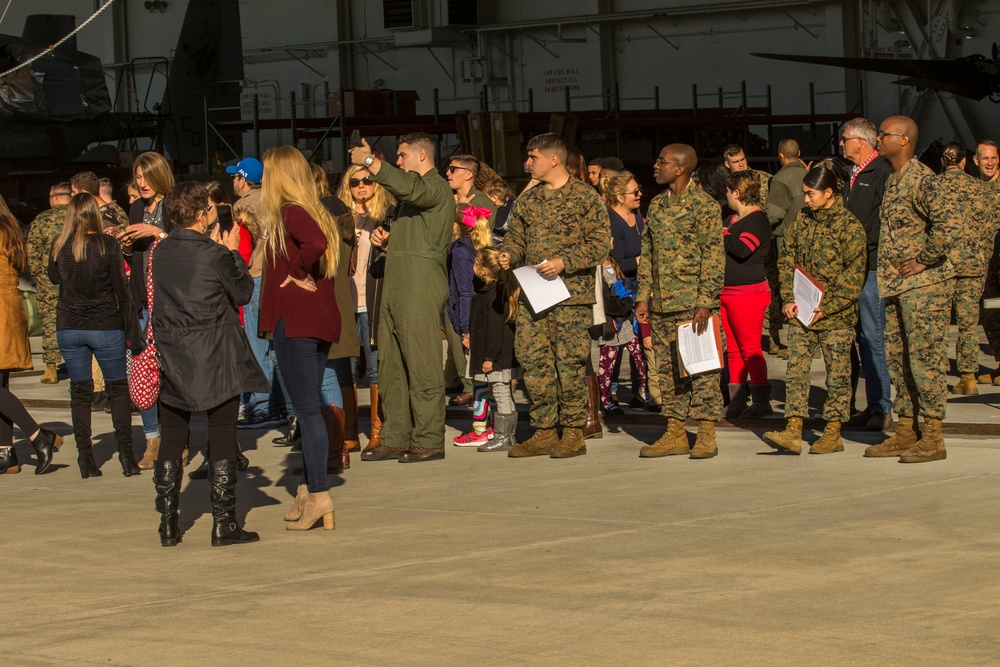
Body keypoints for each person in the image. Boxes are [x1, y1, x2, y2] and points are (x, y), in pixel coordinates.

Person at [147, 181, 266, 547]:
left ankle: (168, 522)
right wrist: (232, 252)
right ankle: (224, 522)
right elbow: (242, 292)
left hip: (174, 353)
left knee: (172, 434)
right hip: (215, 353)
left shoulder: (161, 252)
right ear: (202, 214)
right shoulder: (213, 254)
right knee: (221, 433)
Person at [498, 132, 610, 459]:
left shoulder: (585, 198)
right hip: (535, 296)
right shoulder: (529, 200)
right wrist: (508, 254)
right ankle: (544, 430)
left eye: (532, 157)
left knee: (570, 363)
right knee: (535, 362)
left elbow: (600, 244)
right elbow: (515, 236)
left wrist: (566, 262)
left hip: (570, 298)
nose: (527, 162)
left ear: (553, 159)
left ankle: (573, 431)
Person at [348, 133, 455, 463]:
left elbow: (410, 188)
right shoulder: (408, 200)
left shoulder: (434, 186)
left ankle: (428, 438)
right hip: (396, 284)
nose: (399, 161)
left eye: (402, 155)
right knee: (391, 363)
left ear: (422, 155)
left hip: (420, 284)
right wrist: (386, 239)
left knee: (422, 363)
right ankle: (396, 435)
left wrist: (370, 160)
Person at [864, 116, 961, 463]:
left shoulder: (923, 180)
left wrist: (923, 260)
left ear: (903, 140)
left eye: (883, 134)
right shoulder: (894, 180)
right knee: (899, 360)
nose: (877, 139)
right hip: (896, 288)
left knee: (925, 362)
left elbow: (949, 225)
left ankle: (933, 436)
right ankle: (907, 430)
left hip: (925, 289)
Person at [258, 145, 340, 528]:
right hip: (317, 320)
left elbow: (316, 245)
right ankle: (308, 489)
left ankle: (320, 493)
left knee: (305, 410)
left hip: (298, 321)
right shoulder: (312, 209)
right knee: (307, 409)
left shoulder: (291, 210)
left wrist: (295, 270)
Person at [762, 166, 866, 454]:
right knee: (796, 370)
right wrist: (787, 298)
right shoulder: (802, 221)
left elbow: (854, 276)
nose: (806, 199)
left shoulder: (850, 227)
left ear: (829, 193)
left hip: (835, 317)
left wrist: (827, 307)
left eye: (810, 194)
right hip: (802, 312)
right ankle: (793, 429)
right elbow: (787, 260)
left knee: (838, 374)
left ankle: (833, 431)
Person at [635, 143, 724, 459]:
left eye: (662, 161)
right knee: (668, 371)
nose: (655, 166)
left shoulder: (705, 207)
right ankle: (675, 432)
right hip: (661, 306)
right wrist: (643, 297)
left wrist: (705, 300)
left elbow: (713, 256)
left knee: (702, 370)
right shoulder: (657, 206)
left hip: (693, 305)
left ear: (680, 168)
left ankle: (706, 433)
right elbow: (648, 256)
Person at [49, 193, 141, 478]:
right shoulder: (107, 244)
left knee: (80, 392)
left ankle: (86, 459)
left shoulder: (60, 244)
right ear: (94, 214)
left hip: (70, 326)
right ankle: (127, 457)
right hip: (105, 325)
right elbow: (120, 289)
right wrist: (132, 331)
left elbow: (54, 278)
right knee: (118, 390)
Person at [118, 152, 174, 467]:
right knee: (143, 371)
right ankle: (152, 439)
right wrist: (126, 242)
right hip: (142, 299)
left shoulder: (173, 204)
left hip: (169, 298)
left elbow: (184, 243)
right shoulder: (136, 207)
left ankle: (177, 437)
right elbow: (134, 255)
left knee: (171, 371)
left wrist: (156, 232)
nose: (141, 184)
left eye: (146, 177)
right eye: (137, 178)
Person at [839, 118, 894, 431]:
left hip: (870, 266)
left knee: (873, 337)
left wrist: (862, 244)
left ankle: (882, 407)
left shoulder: (882, 172)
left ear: (860, 141)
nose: (842, 143)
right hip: (852, 267)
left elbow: (883, 220)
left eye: (845, 138)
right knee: (860, 337)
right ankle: (872, 404)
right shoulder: (852, 174)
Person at [335, 164, 395, 454]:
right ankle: (349, 433)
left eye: (367, 180)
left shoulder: (387, 216)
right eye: (354, 181)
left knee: (375, 367)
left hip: (372, 299)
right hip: (345, 300)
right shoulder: (341, 219)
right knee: (344, 369)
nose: (361, 185)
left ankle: (377, 430)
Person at [0, 194, 62, 475]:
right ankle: (6, 454)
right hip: (10, 308)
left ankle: (38, 435)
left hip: (1, 309)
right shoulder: (9, 229)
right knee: (2, 386)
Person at [935, 143, 994, 395]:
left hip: (941, 266)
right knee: (968, 323)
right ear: (964, 162)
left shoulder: (933, 186)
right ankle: (968, 377)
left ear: (942, 161)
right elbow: (988, 229)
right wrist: (982, 259)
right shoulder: (977, 188)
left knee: (938, 323)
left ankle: (935, 375)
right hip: (972, 265)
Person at [313, 161, 359, 474]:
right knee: (337, 372)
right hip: (339, 300)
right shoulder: (341, 211)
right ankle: (341, 443)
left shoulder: (315, 214)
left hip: (318, 300)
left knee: (325, 375)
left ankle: (333, 448)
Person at [444, 154, 496, 406]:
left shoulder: (482, 201)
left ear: (468, 174)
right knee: (455, 345)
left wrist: (460, 208)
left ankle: (477, 396)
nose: (448, 173)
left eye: (453, 169)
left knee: (468, 344)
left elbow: (480, 235)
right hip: (449, 278)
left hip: (471, 278)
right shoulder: (445, 198)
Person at [720, 170, 773, 418]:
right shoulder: (731, 219)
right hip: (728, 292)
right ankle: (738, 400)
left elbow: (743, 249)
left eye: (728, 192)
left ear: (737, 193)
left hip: (748, 293)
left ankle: (761, 401)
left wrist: (723, 233)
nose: (726, 197)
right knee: (732, 347)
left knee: (750, 346)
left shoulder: (757, 220)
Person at [602, 170, 650, 411]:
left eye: (639, 189)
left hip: (641, 287)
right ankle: (607, 394)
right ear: (620, 197)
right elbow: (616, 260)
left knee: (640, 345)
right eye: (635, 191)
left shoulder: (637, 214)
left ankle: (641, 390)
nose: (640, 194)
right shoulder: (612, 220)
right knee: (614, 346)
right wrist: (643, 260)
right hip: (620, 291)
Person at [466, 247, 520, 453]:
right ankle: (508, 435)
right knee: (503, 392)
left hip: (498, 356)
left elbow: (495, 328)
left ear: (483, 270)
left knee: (500, 391)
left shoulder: (494, 294)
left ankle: (504, 436)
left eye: (476, 261)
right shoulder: (493, 291)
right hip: (500, 355)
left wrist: (489, 357)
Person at [450, 206, 496, 446]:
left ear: (458, 225)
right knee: (493, 376)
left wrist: (465, 329)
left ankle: (479, 429)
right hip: (489, 318)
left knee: (478, 376)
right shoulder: (487, 247)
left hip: (473, 321)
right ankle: (493, 425)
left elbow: (465, 292)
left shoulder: (460, 251)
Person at [762, 139, 807, 358]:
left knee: (787, 289)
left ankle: (788, 342)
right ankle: (809, 340)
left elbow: (774, 213)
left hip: (787, 239)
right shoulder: (809, 174)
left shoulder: (780, 178)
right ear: (798, 153)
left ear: (781, 156)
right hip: (811, 239)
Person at [26, 182, 72, 384]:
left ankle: (51, 368)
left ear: (54, 197)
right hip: (77, 280)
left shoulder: (42, 219)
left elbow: (32, 251)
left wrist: (37, 277)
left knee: (50, 322)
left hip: (48, 282)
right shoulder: (79, 217)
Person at [973, 140, 1000, 385]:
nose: (989, 163)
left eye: (993, 158)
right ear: (976, 160)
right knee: (990, 313)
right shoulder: (973, 189)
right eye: (985, 159)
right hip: (983, 264)